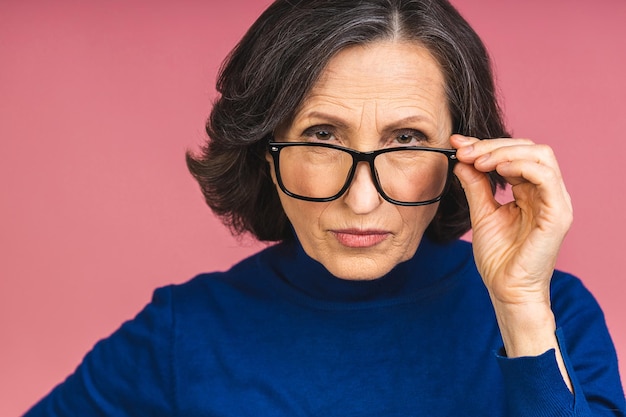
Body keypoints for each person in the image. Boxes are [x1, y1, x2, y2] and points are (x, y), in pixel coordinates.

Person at [25, 0, 625, 415]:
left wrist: (521, 310)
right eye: (321, 138)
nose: (361, 201)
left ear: (464, 154)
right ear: (265, 150)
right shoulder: (184, 334)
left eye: (406, 140)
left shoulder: (556, 316)